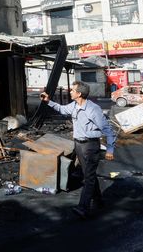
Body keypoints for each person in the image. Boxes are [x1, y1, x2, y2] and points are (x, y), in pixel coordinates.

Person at [40, 81, 116, 219]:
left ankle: (83, 208)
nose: (70, 92)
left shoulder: (93, 109)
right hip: (79, 145)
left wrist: (110, 149)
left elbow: (108, 130)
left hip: (90, 146)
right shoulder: (74, 105)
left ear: (79, 93)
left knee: (88, 177)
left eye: (72, 90)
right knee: (89, 174)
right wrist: (48, 101)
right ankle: (98, 201)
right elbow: (62, 109)